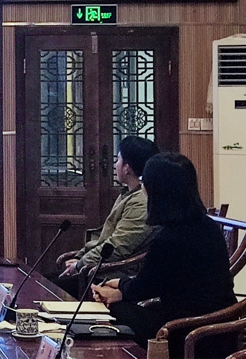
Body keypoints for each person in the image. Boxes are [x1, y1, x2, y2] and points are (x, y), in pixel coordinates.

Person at [92, 153, 236, 358]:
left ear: (157, 190)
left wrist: (119, 289)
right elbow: (159, 282)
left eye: (144, 181)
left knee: (114, 311)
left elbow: (146, 287)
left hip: (189, 331)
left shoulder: (169, 237)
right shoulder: (207, 225)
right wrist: (120, 286)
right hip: (219, 327)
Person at [54, 136, 158, 297]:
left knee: (49, 289)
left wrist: (80, 265)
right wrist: (81, 258)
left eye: (118, 160)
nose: (115, 165)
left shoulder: (141, 202)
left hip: (113, 274)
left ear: (127, 168)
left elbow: (118, 246)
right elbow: (105, 238)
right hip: (97, 267)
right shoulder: (128, 193)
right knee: (41, 282)